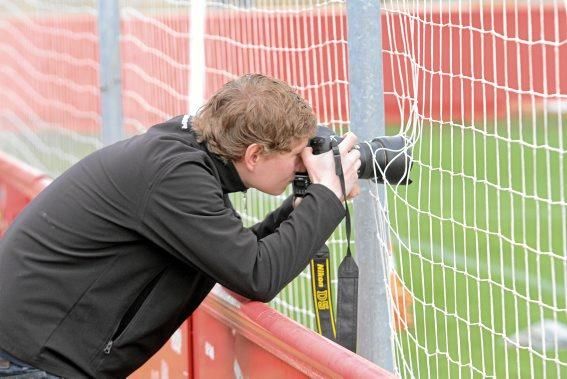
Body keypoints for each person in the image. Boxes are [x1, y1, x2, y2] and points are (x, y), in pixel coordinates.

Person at [0, 74, 361, 378]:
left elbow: (233, 259)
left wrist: (301, 207)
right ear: (254, 155)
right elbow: (256, 274)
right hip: (29, 360)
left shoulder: (186, 159)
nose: (302, 165)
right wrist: (327, 196)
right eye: (296, 154)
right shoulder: (176, 176)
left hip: (31, 353)